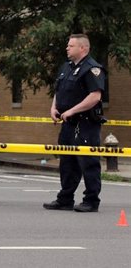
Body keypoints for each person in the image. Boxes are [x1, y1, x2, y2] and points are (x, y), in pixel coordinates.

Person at [44, 34, 106, 213]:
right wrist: (54, 107)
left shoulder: (92, 69)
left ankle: (91, 200)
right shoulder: (66, 67)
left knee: (88, 162)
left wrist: (72, 110)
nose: (67, 48)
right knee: (67, 162)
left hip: (85, 124)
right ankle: (65, 198)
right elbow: (59, 91)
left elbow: (95, 96)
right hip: (68, 124)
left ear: (83, 48)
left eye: (71, 46)